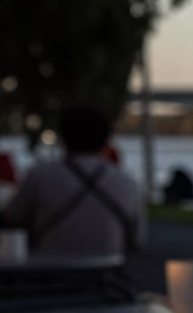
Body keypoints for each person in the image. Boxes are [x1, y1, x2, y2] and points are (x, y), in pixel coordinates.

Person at [1, 106, 145, 257]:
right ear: (106, 141)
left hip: (49, 272)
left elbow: (13, 217)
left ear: (63, 138)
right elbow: (136, 240)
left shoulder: (41, 175)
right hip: (106, 274)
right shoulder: (128, 182)